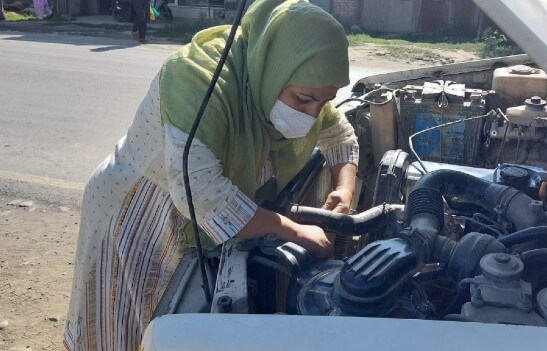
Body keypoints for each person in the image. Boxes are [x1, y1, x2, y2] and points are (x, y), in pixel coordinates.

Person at [63, 0, 358, 349]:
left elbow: (341, 136)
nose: (312, 115)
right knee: (127, 319)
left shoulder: (289, 83)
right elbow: (204, 195)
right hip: (139, 212)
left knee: (172, 313)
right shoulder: (198, 80)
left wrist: (344, 189)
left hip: (202, 216)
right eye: (303, 100)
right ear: (273, 67)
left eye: (323, 102)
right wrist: (292, 229)